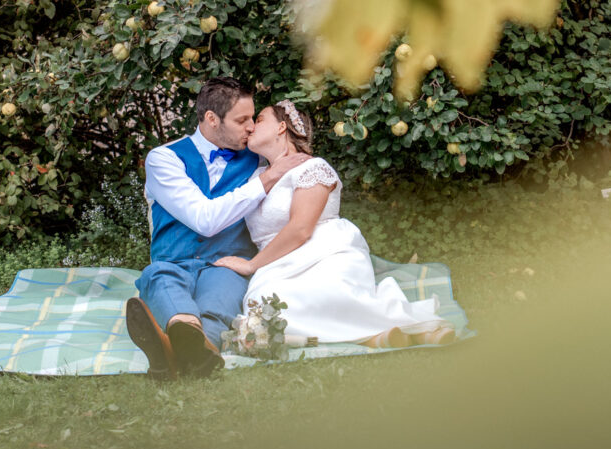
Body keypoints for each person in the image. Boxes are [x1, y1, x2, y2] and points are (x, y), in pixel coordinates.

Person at [215, 100, 455, 348]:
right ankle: (376, 336)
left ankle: (409, 328)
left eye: (260, 119)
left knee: (326, 295)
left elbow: (301, 229)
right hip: (276, 265)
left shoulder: (312, 167)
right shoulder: (257, 178)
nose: (251, 127)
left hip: (324, 252)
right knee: (266, 307)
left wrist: (251, 265)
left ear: (281, 127)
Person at [126, 78, 309, 379]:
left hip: (226, 264)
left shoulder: (259, 158)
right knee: (159, 278)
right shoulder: (164, 159)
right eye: (242, 120)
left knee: (220, 299)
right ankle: (187, 339)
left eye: (253, 118)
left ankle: (179, 352)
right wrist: (267, 180)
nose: (251, 127)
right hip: (173, 262)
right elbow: (204, 219)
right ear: (211, 119)